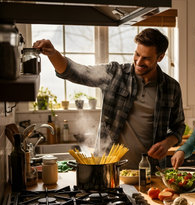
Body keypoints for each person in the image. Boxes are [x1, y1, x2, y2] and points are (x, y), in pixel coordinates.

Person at [33, 28, 185, 169]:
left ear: (160, 57)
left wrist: (167, 143)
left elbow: (178, 127)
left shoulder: (171, 87)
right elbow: (76, 72)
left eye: (146, 58)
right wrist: (53, 54)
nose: (138, 62)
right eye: (137, 54)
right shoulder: (115, 74)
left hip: (151, 170)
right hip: (110, 168)